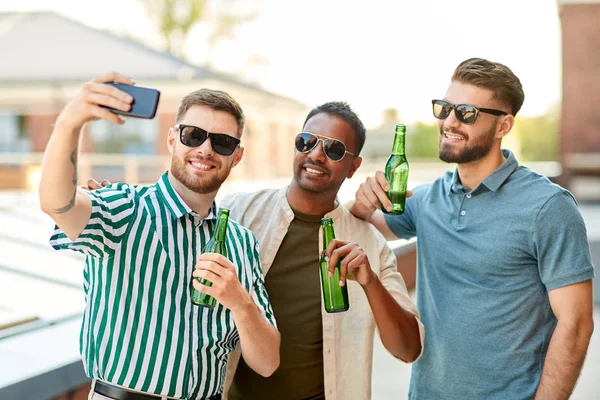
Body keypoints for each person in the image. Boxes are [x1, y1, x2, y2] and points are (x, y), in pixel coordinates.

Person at [351, 58, 595, 400]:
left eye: (466, 113)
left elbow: (577, 324)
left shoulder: (548, 207)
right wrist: (361, 203)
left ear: (503, 126)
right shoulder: (428, 199)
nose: (449, 122)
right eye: (445, 108)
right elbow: (363, 224)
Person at [38, 72, 280, 400]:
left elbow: (267, 363)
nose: (205, 149)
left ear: (236, 156)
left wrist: (239, 301)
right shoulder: (123, 208)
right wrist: (71, 122)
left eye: (222, 142)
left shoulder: (240, 243)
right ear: (172, 140)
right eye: (193, 135)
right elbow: (58, 203)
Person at [220, 101, 424, 400]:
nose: (316, 154)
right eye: (307, 142)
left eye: (335, 149)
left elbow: (408, 350)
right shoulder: (238, 212)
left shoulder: (370, 244)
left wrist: (370, 282)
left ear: (354, 166)